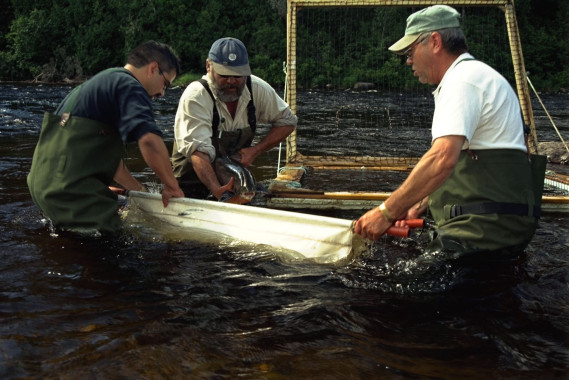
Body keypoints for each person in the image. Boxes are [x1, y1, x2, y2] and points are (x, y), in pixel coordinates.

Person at [354, 5, 542, 254]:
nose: (408, 61)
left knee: (395, 289)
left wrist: (386, 212)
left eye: (410, 52)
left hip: (484, 232)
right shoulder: (476, 76)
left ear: (434, 41)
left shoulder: (461, 82)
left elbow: (442, 158)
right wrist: (418, 203)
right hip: (505, 227)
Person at [28, 40, 185, 234]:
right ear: (153, 68)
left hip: (42, 186)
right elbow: (150, 141)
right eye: (165, 84)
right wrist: (172, 187)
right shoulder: (131, 86)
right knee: (114, 244)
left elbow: (111, 164)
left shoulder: (105, 81)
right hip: (69, 191)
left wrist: (140, 194)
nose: (162, 93)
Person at [172, 37, 297, 203]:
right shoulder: (195, 96)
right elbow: (199, 153)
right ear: (209, 66)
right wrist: (219, 192)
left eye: (238, 75)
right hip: (191, 179)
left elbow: (288, 121)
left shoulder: (257, 89)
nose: (231, 81)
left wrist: (255, 150)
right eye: (224, 74)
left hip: (231, 178)